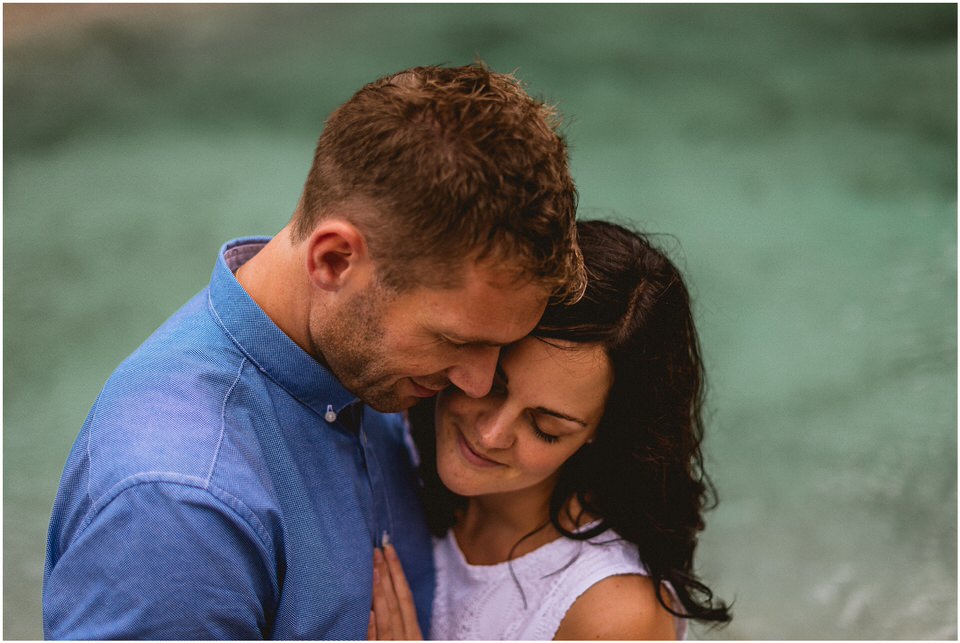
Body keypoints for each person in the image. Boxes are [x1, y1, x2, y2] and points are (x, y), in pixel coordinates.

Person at [43, 63, 585, 640]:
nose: (477, 384)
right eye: (454, 341)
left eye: (498, 348)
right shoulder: (179, 508)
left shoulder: (366, 363)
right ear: (333, 261)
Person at [369, 220, 732, 640]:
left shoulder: (611, 613)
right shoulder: (386, 428)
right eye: (492, 386)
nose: (490, 434)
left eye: (546, 428)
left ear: (601, 432)